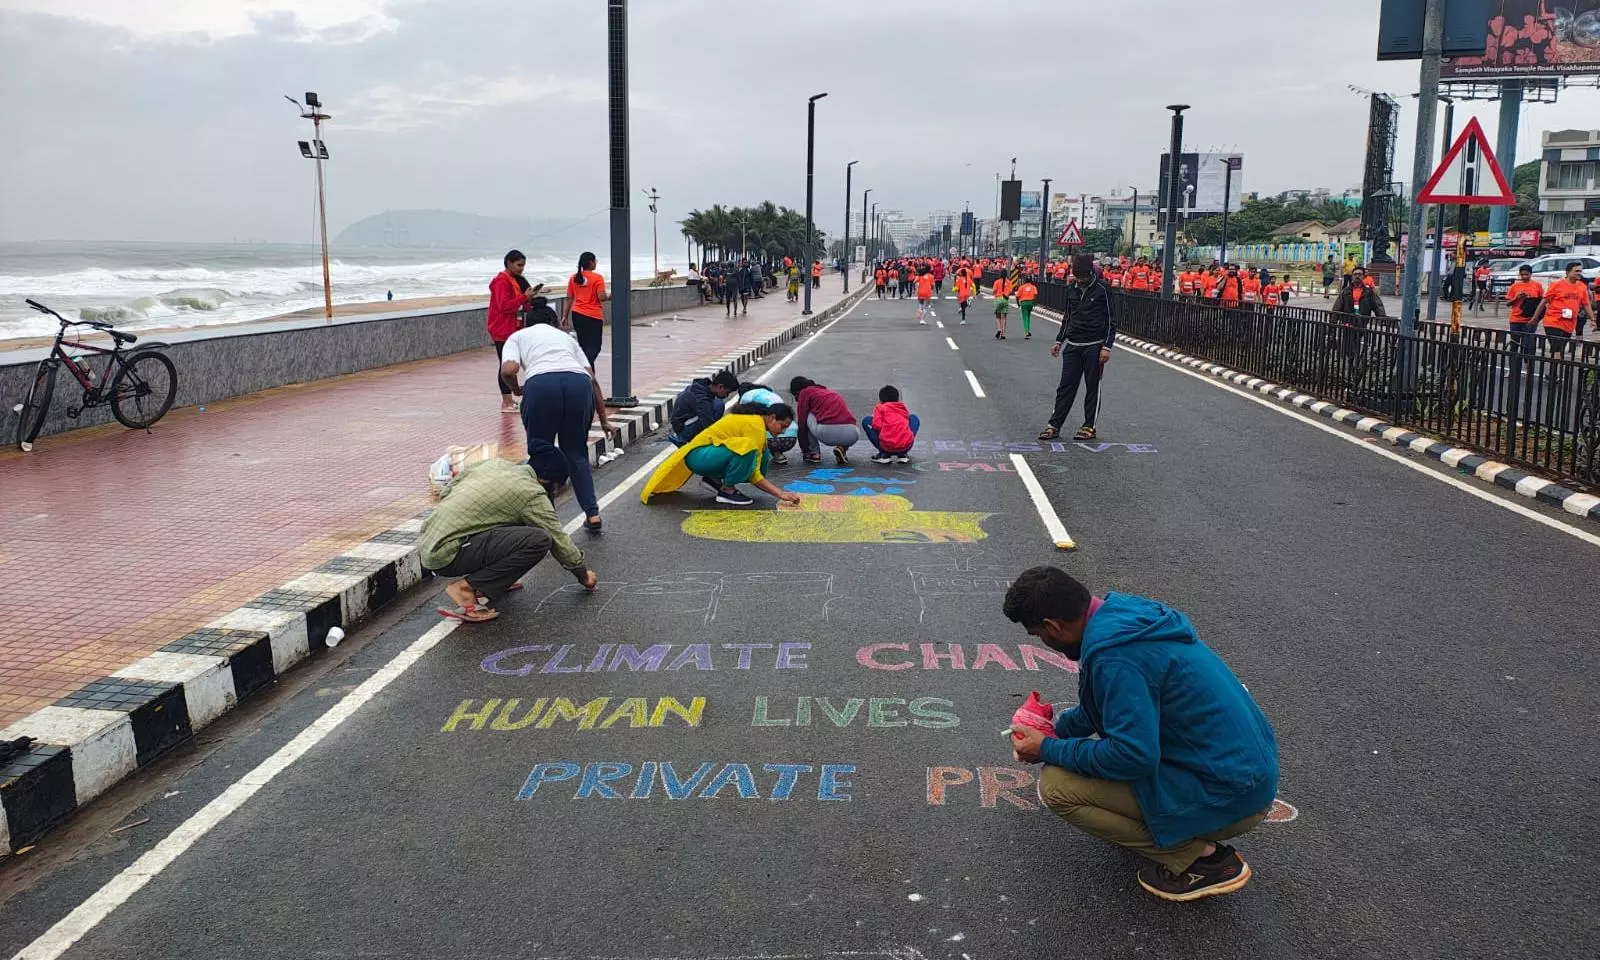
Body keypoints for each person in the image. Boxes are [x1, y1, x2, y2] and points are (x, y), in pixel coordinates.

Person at [1002, 566, 1279, 902]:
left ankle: (1203, 861)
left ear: (1053, 626)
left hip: (1231, 794)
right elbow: (1101, 709)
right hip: (1245, 773)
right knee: (1084, 765)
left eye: (1037, 635)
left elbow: (1133, 757)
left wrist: (1046, 749)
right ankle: (1175, 832)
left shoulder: (1115, 658)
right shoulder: (1122, 618)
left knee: (1058, 787)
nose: (1043, 642)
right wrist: (1051, 730)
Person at [420, 458, 598, 623]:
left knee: (509, 519)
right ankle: (464, 589)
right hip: (446, 554)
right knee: (539, 540)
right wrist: (583, 575)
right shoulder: (531, 494)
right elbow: (559, 540)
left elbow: (449, 489)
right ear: (549, 484)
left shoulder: (496, 464)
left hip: (431, 539)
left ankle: (493, 581)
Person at [501, 300, 611, 536]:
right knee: (576, 453)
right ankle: (593, 514)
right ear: (553, 322)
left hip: (541, 387)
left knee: (541, 454)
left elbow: (508, 370)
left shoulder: (517, 337)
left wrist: (516, 389)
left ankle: (547, 522)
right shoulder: (567, 339)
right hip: (578, 385)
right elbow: (592, 379)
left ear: (528, 322)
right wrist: (603, 419)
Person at [640, 402, 804, 507]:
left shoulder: (755, 422)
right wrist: (780, 494)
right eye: (782, 426)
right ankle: (727, 490)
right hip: (698, 457)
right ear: (772, 418)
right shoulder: (756, 426)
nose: (782, 431)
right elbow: (753, 472)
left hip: (704, 456)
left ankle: (713, 480)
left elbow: (756, 468)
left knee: (762, 452)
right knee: (748, 449)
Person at [1040, 254, 1115, 443]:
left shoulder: (1102, 290)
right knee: (1066, 386)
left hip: (1094, 345)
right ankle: (1054, 425)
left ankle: (1089, 425)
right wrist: (1059, 341)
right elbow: (1067, 317)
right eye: (1078, 276)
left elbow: (1111, 319)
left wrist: (1107, 346)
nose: (1081, 280)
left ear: (1091, 273)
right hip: (1073, 345)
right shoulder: (1071, 289)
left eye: (1084, 277)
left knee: (1092, 387)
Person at [488, 250, 544, 413]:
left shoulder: (515, 280)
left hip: (514, 327)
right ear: (509, 263)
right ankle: (506, 401)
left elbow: (520, 304)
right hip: (502, 328)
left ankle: (514, 396)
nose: (521, 269)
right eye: (519, 265)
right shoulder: (501, 282)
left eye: (523, 266)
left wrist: (529, 298)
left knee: (514, 362)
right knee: (505, 364)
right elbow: (504, 306)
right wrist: (523, 298)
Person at [790, 376, 860, 465]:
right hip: (853, 434)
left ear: (797, 392)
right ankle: (842, 448)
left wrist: (805, 450)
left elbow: (802, 423)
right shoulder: (828, 392)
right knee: (841, 418)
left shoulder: (805, 392)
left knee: (807, 414)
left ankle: (814, 453)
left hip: (827, 433)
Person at [1532, 261, 1595, 350]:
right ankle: (1556, 361)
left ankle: (1555, 363)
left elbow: (1586, 304)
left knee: (1560, 348)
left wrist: (1592, 319)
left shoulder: (1582, 286)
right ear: (1568, 272)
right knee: (1557, 347)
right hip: (1553, 321)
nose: (1579, 273)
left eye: (1580, 271)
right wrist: (1535, 317)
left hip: (1569, 323)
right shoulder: (1556, 284)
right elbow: (1544, 301)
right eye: (1576, 271)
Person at [733, 381, 799, 465]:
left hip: (768, 440)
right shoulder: (773, 396)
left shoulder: (747, 396)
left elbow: (740, 418)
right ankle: (778, 454)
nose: (783, 431)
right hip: (791, 440)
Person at [562, 252, 609, 367]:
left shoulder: (573, 278)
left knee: (584, 346)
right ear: (591, 262)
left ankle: (588, 377)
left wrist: (564, 316)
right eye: (595, 261)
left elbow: (569, 298)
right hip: (593, 316)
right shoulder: (597, 278)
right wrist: (611, 296)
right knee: (595, 347)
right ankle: (583, 367)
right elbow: (602, 297)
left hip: (577, 314)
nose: (596, 263)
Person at [670, 369, 741, 446]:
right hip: (682, 428)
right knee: (718, 406)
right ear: (720, 387)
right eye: (727, 392)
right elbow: (709, 424)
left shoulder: (704, 388)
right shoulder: (701, 399)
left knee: (717, 404)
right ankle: (682, 439)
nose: (727, 396)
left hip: (687, 420)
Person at [862, 384, 920, 465]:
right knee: (913, 418)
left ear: (881, 400)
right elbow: (905, 420)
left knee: (866, 420)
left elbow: (877, 425)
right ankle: (902, 455)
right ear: (897, 399)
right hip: (906, 446)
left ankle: (884, 455)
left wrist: (878, 420)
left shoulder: (880, 408)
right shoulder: (901, 406)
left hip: (887, 447)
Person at [1505, 265, 1544, 354]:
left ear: (1531, 274)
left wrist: (1537, 318)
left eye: (1527, 274)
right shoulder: (1514, 286)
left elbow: (1541, 301)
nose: (1524, 277)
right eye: (1522, 275)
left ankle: (1528, 365)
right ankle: (1514, 366)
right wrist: (1516, 298)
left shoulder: (1537, 285)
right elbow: (1507, 303)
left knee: (1528, 347)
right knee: (1514, 345)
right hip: (1516, 319)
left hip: (1530, 320)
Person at [992, 274, 1011, 340]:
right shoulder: (1009, 282)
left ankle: (999, 329)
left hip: (998, 299)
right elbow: (1010, 291)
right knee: (1004, 317)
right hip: (1005, 299)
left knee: (998, 315)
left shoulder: (997, 282)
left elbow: (994, 291)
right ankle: (1003, 334)